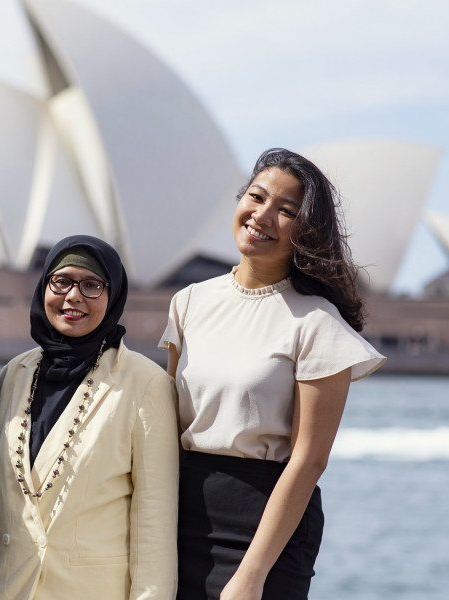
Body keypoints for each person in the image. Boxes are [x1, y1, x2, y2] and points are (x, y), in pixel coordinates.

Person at [160, 148, 386, 600]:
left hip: (266, 526)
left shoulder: (317, 322)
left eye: (286, 211)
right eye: (256, 197)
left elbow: (309, 459)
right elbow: (169, 426)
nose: (262, 215)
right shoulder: (189, 302)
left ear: (307, 232)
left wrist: (252, 574)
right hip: (180, 514)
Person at [0, 235, 179, 600]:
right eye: (62, 281)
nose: (73, 296)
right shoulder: (12, 376)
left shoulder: (145, 384)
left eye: (91, 285)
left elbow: (155, 527)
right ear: (44, 287)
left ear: (113, 294)